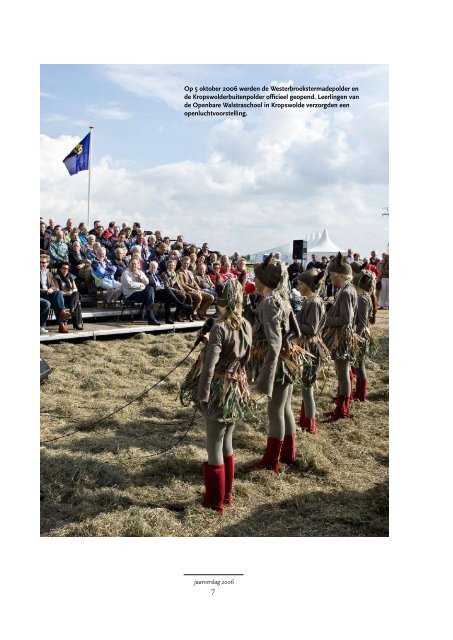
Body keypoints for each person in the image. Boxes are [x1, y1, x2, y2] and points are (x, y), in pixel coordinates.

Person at [180, 278, 253, 513]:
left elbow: (210, 367)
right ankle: (227, 493)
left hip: (220, 390)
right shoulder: (246, 326)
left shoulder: (220, 328)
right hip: (236, 388)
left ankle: (214, 500)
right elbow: (247, 359)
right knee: (227, 441)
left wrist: (202, 394)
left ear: (221, 303)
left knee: (213, 444)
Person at [247, 254, 303, 472]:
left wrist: (266, 379)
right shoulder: (277, 299)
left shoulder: (271, 303)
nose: (254, 279)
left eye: (257, 277)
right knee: (285, 408)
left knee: (275, 411)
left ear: (264, 281)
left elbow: (275, 342)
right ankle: (289, 455)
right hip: (286, 361)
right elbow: (295, 331)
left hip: (278, 364)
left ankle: (271, 462)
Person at [322, 252, 358, 421]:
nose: (329, 278)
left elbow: (346, 319)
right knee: (342, 372)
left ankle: (342, 410)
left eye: (331, 274)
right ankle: (341, 407)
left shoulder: (345, 292)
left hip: (342, 337)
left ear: (339, 275)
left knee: (343, 373)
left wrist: (326, 320)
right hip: (343, 335)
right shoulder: (348, 289)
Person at [295, 269, 329, 434]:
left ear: (308, 285)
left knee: (307, 387)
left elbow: (312, 328)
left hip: (312, 350)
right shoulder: (309, 301)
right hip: (307, 348)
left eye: (301, 284)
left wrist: (293, 322)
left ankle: (310, 426)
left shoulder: (315, 303)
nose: (298, 287)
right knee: (305, 385)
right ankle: (305, 420)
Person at [352, 268, 378, 401]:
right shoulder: (363, 297)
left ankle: (360, 395)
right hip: (360, 335)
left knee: (360, 365)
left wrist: (355, 337)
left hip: (361, 337)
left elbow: (361, 322)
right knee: (357, 364)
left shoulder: (362, 299)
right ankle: (357, 392)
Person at [120, 257, 160, 325]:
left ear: (138, 264)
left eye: (135, 264)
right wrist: (141, 284)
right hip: (131, 294)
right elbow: (130, 285)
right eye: (132, 264)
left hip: (141, 292)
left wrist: (139, 275)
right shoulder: (125, 273)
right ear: (129, 264)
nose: (134, 265)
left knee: (151, 291)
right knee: (150, 294)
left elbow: (147, 282)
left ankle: (151, 317)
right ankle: (152, 317)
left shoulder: (140, 272)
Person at [39, 254, 72, 333]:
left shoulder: (49, 274)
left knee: (58, 293)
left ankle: (62, 313)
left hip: (48, 294)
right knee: (50, 303)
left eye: (43, 262)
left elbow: (53, 286)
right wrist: (46, 290)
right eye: (40, 262)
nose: (41, 264)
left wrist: (51, 289)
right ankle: (59, 324)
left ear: (47, 263)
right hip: (40, 295)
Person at [177, 255, 215, 320]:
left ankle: (201, 313)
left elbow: (194, 282)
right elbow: (182, 284)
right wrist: (192, 289)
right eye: (185, 263)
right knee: (199, 297)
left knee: (211, 297)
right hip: (186, 291)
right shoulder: (179, 272)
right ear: (181, 263)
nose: (186, 265)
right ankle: (193, 314)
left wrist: (197, 288)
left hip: (194, 290)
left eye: (188, 263)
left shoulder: (190, 272)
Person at [52, 261, 84, 330]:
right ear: (60, 269)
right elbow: (57, 290)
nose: (66, 270)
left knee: (76, 294)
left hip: (71, 297)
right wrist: (66, 293)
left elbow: (75, 288)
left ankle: (72, 310)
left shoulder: (71, 277)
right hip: (61, 297)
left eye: (67, 268)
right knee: (77, 304)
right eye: (64, 268)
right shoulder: (56, 277)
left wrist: (71, 291)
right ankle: (76, 324)